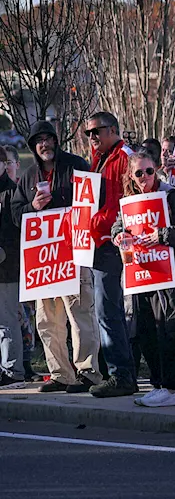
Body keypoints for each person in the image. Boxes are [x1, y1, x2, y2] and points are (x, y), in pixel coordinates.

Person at [112, 150, 175, 407]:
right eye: (138, 173)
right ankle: (158, 384)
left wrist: (162, 235)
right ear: (131, 174)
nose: (144, 177)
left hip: (171, 276)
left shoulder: (171, 196)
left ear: (156, 170)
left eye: (149, 171)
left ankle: (172, 388)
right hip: (143, 275)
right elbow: (119, 225)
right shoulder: (130, 201)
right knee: (146, 330)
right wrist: (119, 235)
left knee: (171, 328)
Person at [16, 122, 98, 392]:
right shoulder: (28, 176)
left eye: (48, 139)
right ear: (33, 146)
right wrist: (32, 206)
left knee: (80, 315)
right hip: (43, 259)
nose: (44, 145)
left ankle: (87, 372)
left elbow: (91, 203)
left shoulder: (76, 166)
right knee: (47, 320)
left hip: (73, 255)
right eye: (38, 141)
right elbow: (15, 214)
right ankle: (61, 374)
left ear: (56, 141)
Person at [82, 112, 139, 398]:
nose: (92, 137)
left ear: (113, 129)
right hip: (101, 241)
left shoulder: (125, 157)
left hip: (114, 242)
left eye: (97, 131)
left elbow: (123, 204)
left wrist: (92, 224)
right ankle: (119, 372)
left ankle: (122, 374)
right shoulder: (101, 158)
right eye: (88, 133)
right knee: (107, 311)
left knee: (109, 310)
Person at [0, 145, 23, 387]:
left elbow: (18, 232)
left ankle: (12, 369)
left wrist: (4, 252)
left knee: (6, 320)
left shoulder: (12, 192)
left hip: (6, 268)